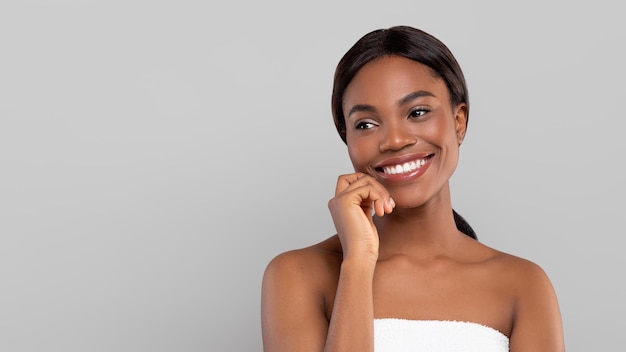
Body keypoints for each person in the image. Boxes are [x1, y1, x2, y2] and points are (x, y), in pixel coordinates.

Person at [261, 25, 564, 351]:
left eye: (417, 112)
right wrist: (359, 263)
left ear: (458, 121)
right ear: (347, 139)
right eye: (366, 124)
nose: (394, 140)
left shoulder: (523, 285)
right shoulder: (297, 276)